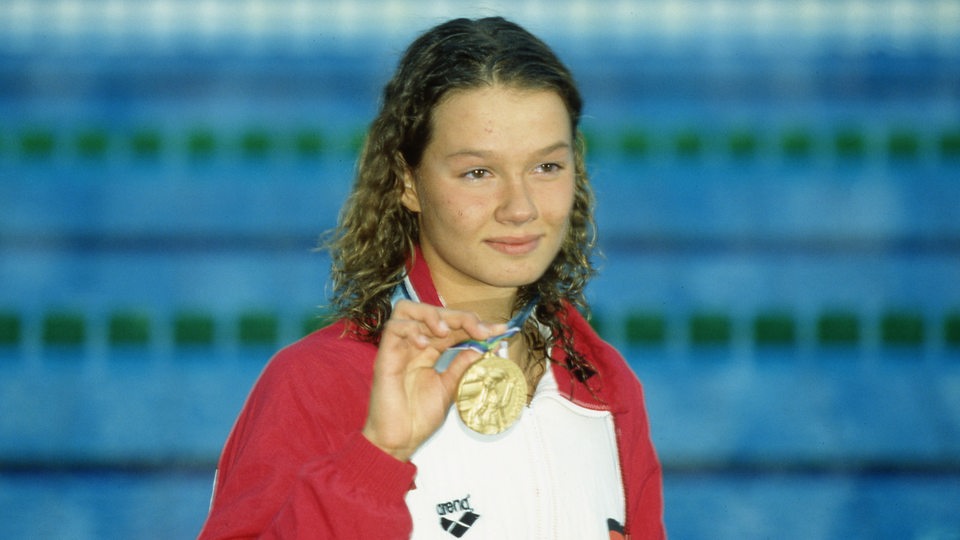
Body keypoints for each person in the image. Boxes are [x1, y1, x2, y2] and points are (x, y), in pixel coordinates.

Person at [198, 16, 664, 539]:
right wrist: (378, 457)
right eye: (478, 173)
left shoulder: (602, 383)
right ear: (409, 184)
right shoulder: (316, 385)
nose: (520, 207)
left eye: (546, 167)